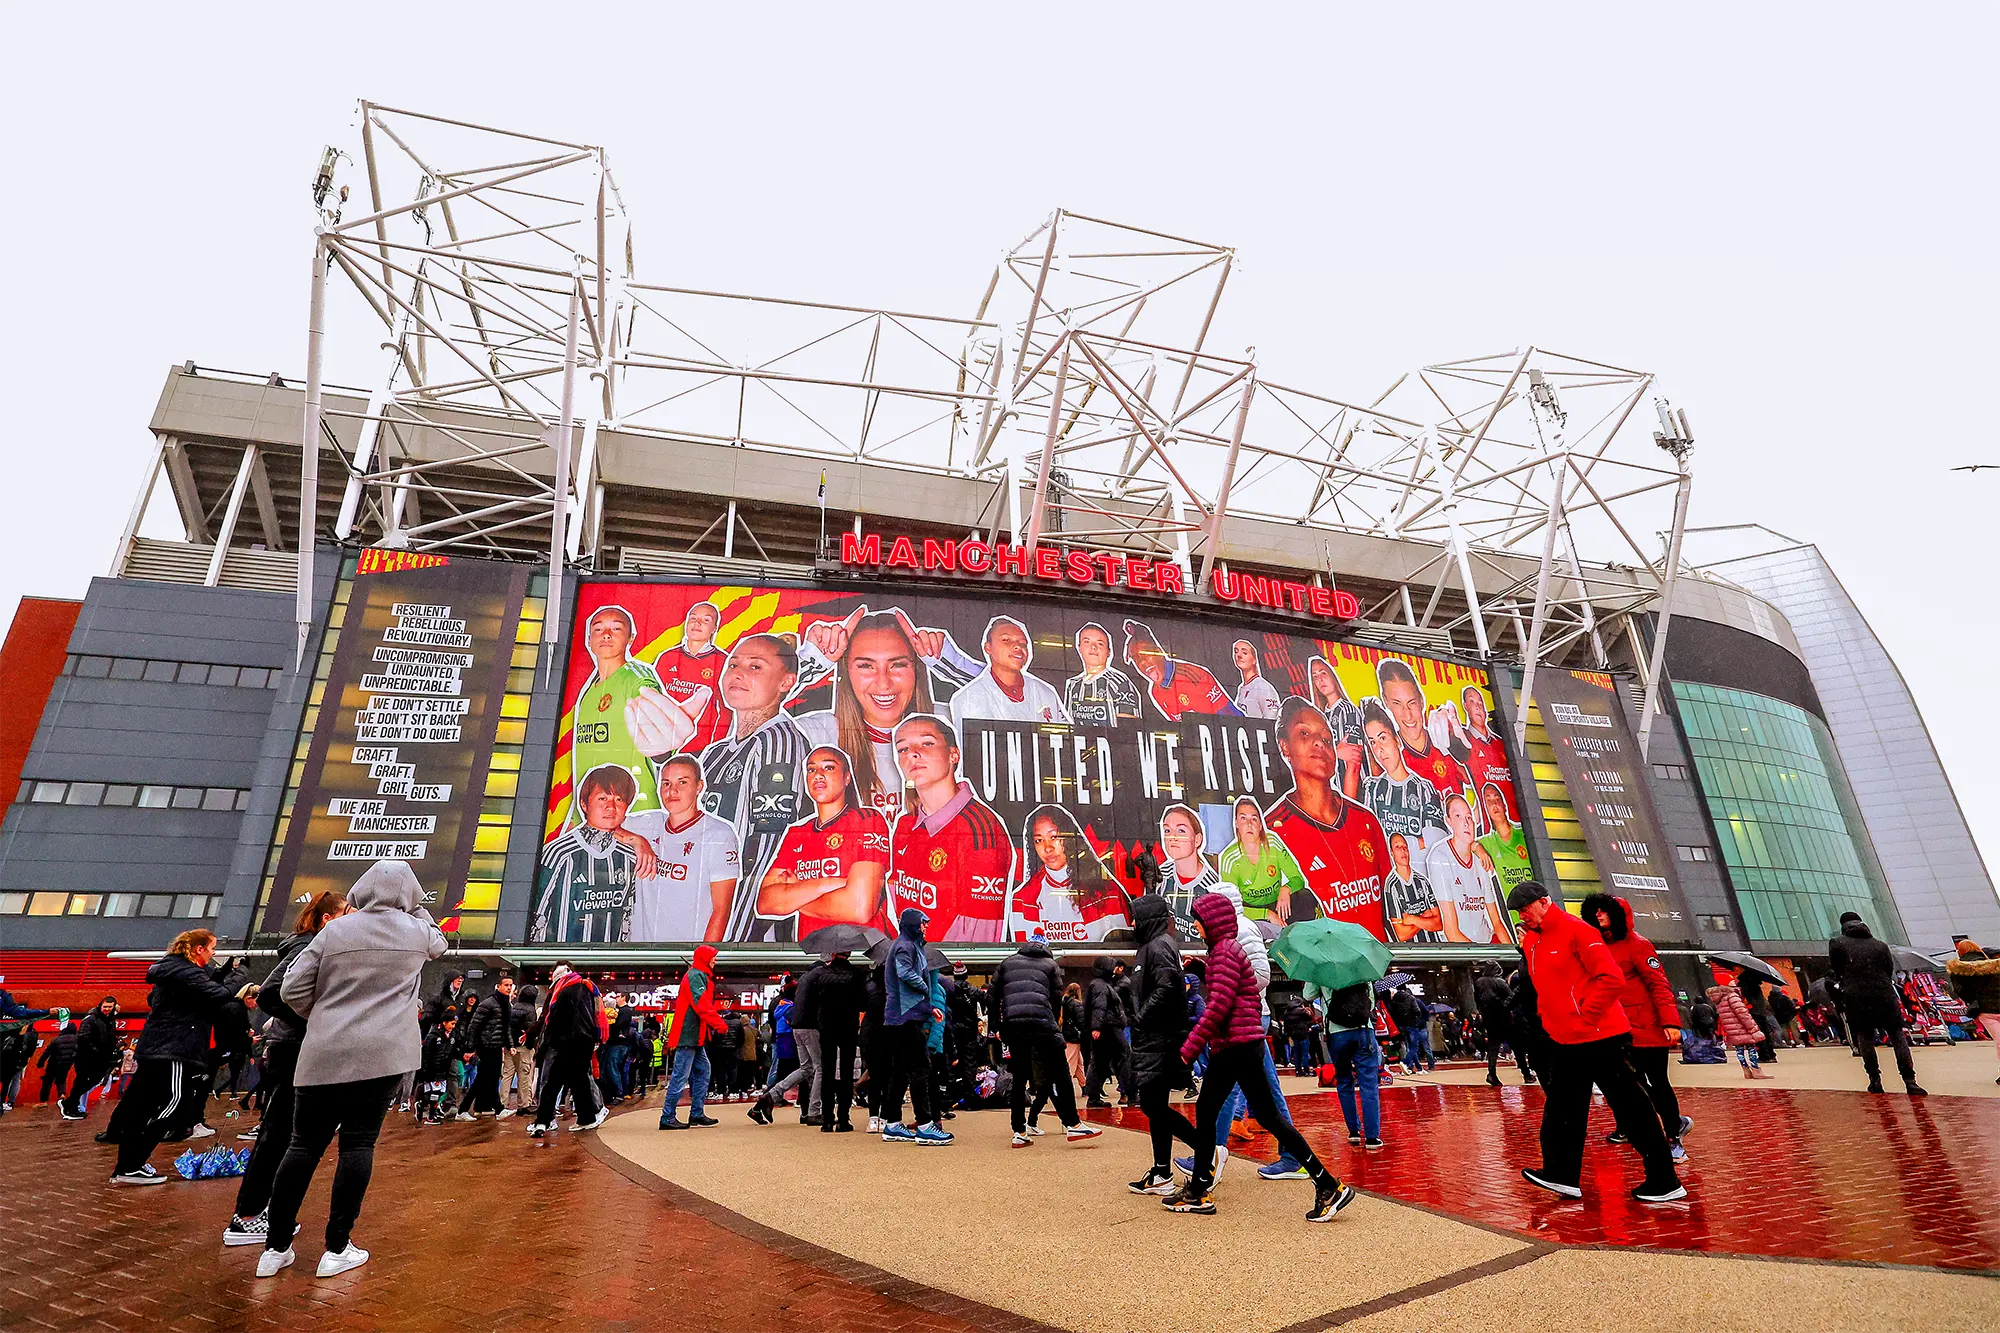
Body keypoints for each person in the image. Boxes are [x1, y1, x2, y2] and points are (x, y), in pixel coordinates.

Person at [257, 861, 447, 1279]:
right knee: (358, 1146)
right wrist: (415, 905)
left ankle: (275, 1247)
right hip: (382, 1054)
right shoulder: (416, 932)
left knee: (302, 1147)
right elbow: (440, 942)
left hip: (323, 1050)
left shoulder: (335, 930)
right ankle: (337, 1247)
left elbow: (290, 988)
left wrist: (323, 1016)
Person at [1164, 893, 1356, 1222]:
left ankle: (1199, 1190)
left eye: (1199, 919)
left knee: (1209, 1110)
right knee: (1266, 1116)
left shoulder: (1224, 952)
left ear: (1213, 922)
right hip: (1246, 1042)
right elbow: (1238, 990)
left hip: (1234, 1045)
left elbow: (1218, 1007)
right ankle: (1327, 1184)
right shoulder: (1227, 950)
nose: (1195, 924)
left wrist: (1187, 1052)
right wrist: (1203, 968)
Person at [1510, 881, 1685, 1204]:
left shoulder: (1578, 931)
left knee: (1630, 1106)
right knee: (1563, 1107)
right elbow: (1546, 986)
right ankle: (1561, 1174)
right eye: (1518, 912)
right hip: (1566, 1036)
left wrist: (1585, 1013)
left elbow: (1612, 979)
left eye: (1526, 908)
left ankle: (1663, 1179)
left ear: (1545, 902)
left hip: (1600, 1035)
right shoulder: (1533, 940)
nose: (1522, 915)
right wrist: (1551, 1020)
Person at [221, 892, 348, 1246]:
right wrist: (313, 1019)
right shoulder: (307, 947)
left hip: (294, 1047)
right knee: (279, 1134)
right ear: (327, 919)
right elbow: (270, 992)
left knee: (283, 1133)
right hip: (293, 1049)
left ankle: (258, 1212)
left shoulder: (313, 945)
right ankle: (248, 1217)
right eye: (345, 914)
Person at [798, 606, 980, 819]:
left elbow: (1008, 703)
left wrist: (952, 664)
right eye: (866, 666)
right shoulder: (817, 733)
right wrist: (811, 663)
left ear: (917, 669)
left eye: (898, 665)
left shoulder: (949, 721)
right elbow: (761, 713)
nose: (884, 683)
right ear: (847, 673)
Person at [108, 929, 247, 1187]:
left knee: (141, 1106)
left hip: (156, 1047)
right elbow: (219, 995)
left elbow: (201, 988)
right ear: (198, 949)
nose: (214, 953)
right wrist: (240, 975)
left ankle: (127, 1166)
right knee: (176, 1104)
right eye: (211, 948)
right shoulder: (185, 973)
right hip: (174, 1048)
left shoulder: (174, 972)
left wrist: (224, 971)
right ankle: (134, 1161)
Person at [699, 633, 814, 940]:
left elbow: (767, 850)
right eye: (733, 664)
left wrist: (732, 937)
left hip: (739, 924)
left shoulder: (779, 741)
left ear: (786, 682)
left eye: (755, 667)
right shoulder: (714, 754)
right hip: (705, 908)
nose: (738, 673)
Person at [1265, 697, 1394, 937]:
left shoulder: (1365, 820)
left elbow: (1393, 907)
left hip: (1378, 957)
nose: (1319, 743)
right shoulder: (1272, 830)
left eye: (1326, 739)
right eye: (1304, 734)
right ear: (1285, 746)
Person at [568, 604, 702, 821]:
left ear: (630, 638)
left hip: (635, 812)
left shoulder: (635, 677)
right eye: (598, 629)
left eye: (616, 628)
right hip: (591, 814)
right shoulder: (588, 692)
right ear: (589, 640)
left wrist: (663, 747)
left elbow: (652, 708)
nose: (607, 634)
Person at [886, 714, 1014, 942]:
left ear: (953, 755)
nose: (912, 753)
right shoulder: (904, 826)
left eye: (927, 743)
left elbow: (976, 942)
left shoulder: (980, 831)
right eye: (903, 749)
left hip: (946, 964)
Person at [1581, 895, 1691, 1161]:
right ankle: (1645, 1126)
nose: (1599, 915)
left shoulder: (1638, 945)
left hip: (1646, 1027)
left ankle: (1673, 1135)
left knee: (1657, 1083)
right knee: (1628, 1084)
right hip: (1615, 1028)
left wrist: (1670, 1022)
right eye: (1595, 911)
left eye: (1605, 911)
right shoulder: (1595, 946)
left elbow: (1658, 983)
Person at [758, 746, 892, 938]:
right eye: (811, 769)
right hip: (813, 950)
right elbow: (765, 903)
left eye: (828, 767)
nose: (818, 775)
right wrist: (827, 885)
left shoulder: (866, 820)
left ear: (847, 778)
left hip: (863, 950)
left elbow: (859, 909)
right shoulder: (797, 833)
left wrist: (796, 893)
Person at [990, 932, 1100, 1146]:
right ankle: (1073, 1124)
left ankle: (1019, 1131)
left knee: (1019, 1077)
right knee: (1060, 1072)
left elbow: (992, 997)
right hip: (1042, 1022)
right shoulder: (1050, 965)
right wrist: (1053, 1025)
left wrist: (996, 1027)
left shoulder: (1007, 963)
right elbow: (1055, 999)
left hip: (1014, 1024)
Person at [1124, 894, 1200, 1195]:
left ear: (1148, 918)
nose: (1132, 923)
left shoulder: (1157, 946)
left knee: (1152, 1105)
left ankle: (1205, 1151)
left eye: (1135, 917)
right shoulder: (1155, 946)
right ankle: (1162, 1171)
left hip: (1159, 1037)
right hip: (1155, 1037)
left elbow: (1167, 985)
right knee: (1156, 1106)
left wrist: (1141, 1016)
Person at [623, 755, 741, 943]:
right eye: (666, 783)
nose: (672, 791)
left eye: (682, 782)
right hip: (642, 953)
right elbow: (600, 824)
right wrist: (637, 840)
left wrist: (703, 956)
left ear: (699, 787)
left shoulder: (719, 834)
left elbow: (721, 909)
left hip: (686, 953)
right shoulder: (649, 823)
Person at [534, 766, 644, 943]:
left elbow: (628, 917)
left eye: (619, 799)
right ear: (584, 804)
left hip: (611, 958)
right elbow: (536, 916)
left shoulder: (629, 857)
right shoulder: (559, 852)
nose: (611, 807)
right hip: (562, 957)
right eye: (602, 798)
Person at [1828, 911, 1927, 1095]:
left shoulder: (1838, 943)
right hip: (1883, 993)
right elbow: (1888, 969)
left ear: (1843, 926)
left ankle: (1875, 1080)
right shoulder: (1880, 945)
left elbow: (1836, 968)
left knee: (1864, 1036)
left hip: (1856, 995)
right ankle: (1910, 1080)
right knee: (1897, 1035)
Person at [877, 908, 952, 1144]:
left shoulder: (906, 945)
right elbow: (905, 973)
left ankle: (892, 1124)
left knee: (900, 1071)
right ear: (912, 924)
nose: (926, 926)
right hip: (906, 1018)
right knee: (920, 1068)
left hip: (901, 1017)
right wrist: (925, 987)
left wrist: (928, 1008)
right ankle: (925, 1125)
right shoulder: (905, 946)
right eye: (923, 922)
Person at [1012, 806, 1130, 943]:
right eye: (1039, 840)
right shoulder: (1022, 899)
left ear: (1068, 838)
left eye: (1054, 837)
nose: (1048, 848)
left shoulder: (1109, 893)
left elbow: (1122, 947)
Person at [1359, 698, 1447, 858]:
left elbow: (1437, 842)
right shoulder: (1371, 788)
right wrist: (1417, 842)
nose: (1379, 749)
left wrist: (1396, 845)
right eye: (1373, 743)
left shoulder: (1424, 789)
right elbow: (1367, 839)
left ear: (1397, 741)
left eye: (1383, 738)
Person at [1377, 658, 1470, 807]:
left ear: (1421, 700)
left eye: (1412, 703)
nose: (1408, 715)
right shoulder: (1390, 758)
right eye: (1397, 704)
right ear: (1385, 701)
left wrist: (1457, 738)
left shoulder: (1444, 741)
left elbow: (1481, 783)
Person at [949, 615, 1070, 727]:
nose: (1018, 646)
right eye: (1006, 640)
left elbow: (1067, 738)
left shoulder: (1045, 693)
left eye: (1023, 643)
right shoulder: (968, 698)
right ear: (988, 648)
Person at [649, 599, 734, 755]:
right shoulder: (667, 657)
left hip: (699, 749)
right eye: (693, 618)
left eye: (705, 620)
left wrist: (715, 749)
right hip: (661, 744)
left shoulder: (723, 662)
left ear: (714, 628)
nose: (697, 623)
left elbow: (726, 712)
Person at [532, 963, 609, 1135]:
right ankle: (586, 1118)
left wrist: (548, 1042)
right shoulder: (587, 988)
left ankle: (542, 1122)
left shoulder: (564, 991)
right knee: (580, 1081)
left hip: (565, 1042)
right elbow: (593, 1016)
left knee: (552, 1082)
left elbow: (555, 1019)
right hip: (585, 1041)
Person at [1427, 794, 1512, 945]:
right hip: (1461, 951)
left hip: (1485, 944)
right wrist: (1484, 956)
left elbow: (1497, 922)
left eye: (1469, 817)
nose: (1466, 823)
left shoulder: (1480, 859)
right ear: (1448, 821)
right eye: (1458, 816)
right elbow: (1451, 932)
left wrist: (1514, 953)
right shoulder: (1440, 857)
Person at [1218, 796, 1307, 937]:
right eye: (1243, 818)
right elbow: (1231, 907)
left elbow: (1298, 879)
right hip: (1251, 911)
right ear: (1236, 824)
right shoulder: (1230, 858)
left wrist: (1286, 889)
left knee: (1306, 897)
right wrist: (1267, 914)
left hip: (1277, 904)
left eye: (1254, 819)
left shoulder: (1272, 844)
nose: (1249, 824)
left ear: (1260, 825)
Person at [659, 946, 725, 1129]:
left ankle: (695, 1113)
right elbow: (701, 1004)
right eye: (713, 957)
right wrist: (719, 1024)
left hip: (693, 1035)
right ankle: (668, 1116)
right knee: (682, 1076)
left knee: (701, 1072)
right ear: (705, 958)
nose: (715, 960)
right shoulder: (696, 975)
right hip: (689, 1035)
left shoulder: (696, 974)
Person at [1122, 619, 1240, 720]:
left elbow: (1230, 717)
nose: (1142, 662)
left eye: (1145, 653)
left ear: (1159, 651)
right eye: (1136, 659)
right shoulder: (1156, 691)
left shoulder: (1194, 676)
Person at [1318, 979, 1384, 1149]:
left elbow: (1308, 995)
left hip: (1336, 1032)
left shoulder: (1320, 968)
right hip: (1363, 1030)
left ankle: (1354, 1131)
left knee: (1344, 1081)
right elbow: (1371, 1002)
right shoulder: (1362, 968)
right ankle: (1372, 1137)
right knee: (1369, 1084)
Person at [812, 949, 866, 1132]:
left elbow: (814, 1001)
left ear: (833, 953)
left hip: (827, 1027)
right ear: (849, 953)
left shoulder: (821, 974)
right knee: (846, 1072)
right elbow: (863, 1004)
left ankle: (827, 1119)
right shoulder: (856, 974)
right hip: (848, 1026)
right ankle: (843, 1118)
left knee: (827, 1070)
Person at [458, 975, 519, 1119]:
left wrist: (510, 1045)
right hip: (486, 1046)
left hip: (496, 1046)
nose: (509, 988)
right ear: (498, 986)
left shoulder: (506, 1004)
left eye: (510, 985)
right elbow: (474, 1026)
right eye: (506, 985)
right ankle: (468, 1109)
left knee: (491, 1077)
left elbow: (506, 1027)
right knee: (484, 1077)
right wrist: (470, 1048)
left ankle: (482, 1107)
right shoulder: (488, 1003)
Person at [1156, 804, 1220, 942]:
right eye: (1167, 830)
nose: (1173, 837)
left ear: (1197, 839)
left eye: (1181, 831)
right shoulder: (1161, 877)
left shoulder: (1212, 885)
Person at [1304, 655, 1366, 796]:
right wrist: (1336, 753)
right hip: (1331, 796)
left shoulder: (1347, 710)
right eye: (1315, 676)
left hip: (1352, 795)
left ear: (1333, 675)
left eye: (1323, 673)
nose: (1320, 680)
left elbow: (1354, 761)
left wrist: (1349, 803)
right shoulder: (1319, 717)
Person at [1063, 622, 1143, 727]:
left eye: (1100, 643)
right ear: (1079, 648)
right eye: (1087, 642)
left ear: (1108, 652)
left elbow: (1128, 730)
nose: (1093, 647)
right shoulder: (1073, 685)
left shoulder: (1120, 683)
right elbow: (1067, 726)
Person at [1706, 965, 1773, 1080]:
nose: (1734, 981)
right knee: (1751, 1047)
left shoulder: (1719, 999)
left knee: (1740, 1049)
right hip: (1742, 1026)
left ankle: (1746, 1070)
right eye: (1731, 980)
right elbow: (1742, 1013)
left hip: (1732, 1028)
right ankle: (1756, 1069)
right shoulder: (1732, 995)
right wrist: (1751, 1027)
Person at [1947, 939, 2000, 1084]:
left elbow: (1961, 992)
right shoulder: (1994, 965)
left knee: (1999, 1041)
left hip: (1985, 1011)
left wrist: (1974, 998)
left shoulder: (1959, 970)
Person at [63, 997, 121, 1120]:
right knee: (81, 1082)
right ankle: (71, 1106)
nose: (107, 1009)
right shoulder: (91, 1018)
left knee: (95, 1079)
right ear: (100, 1005)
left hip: (101, 1057)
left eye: (110, 1007)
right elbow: (83, 1037)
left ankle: (69, 1103)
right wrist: (95, 1050)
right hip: (86, 1057)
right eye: (105, 1006)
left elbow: (109, 1036)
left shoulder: (110, 1020)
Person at [1474, 782, 1534, 898]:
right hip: (1514, 908)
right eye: (1489, 801)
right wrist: (1478, 847)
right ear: (1486, 810)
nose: (1494, 804)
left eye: (1497, 799)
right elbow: (1466, 845)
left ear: (1504, 806)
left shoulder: (1523, 833)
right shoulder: (1488, 842)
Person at [1083, 956, 1130, 1107]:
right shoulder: (1102, 986)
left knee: (1100, 1061)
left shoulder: (1099, 984)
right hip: (1109, 1027)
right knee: (1124, 1055)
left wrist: (1096, 1027)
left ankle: (1094, 1096)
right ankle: (1130, 1092)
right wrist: (1096, 1027)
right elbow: (1099, 1006)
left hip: (1105, 1027)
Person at [1382, 833, 1444, 944]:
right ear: (1391, 853)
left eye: (1405, 847)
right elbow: (1401, 935)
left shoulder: (1422, 881)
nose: (1403, 850)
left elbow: (1438, 924)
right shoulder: (1391, 886)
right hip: (1412, 952)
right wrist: (1425, 917)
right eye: (1397, 847)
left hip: (1434, 948)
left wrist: (1412, 919)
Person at [1473, 961, 1519, 1087]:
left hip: (1488, 1018)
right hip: (1503, 1016)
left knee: (1493, 1046)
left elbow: (1477, 1000)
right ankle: (1526, 1072)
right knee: (1516, 1043)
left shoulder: (1479, 982)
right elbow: (1512, 997)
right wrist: (1506, 1007)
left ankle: (1491, 1072)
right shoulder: (1499, 982)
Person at [503, 985, 539, 1111]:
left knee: (507, 1075)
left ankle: (502, 1103)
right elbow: (531, 1030)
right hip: (524, 1047)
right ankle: (524, 1104)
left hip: (510, 1046)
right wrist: (531, 1045)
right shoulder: (530, 1010)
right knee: (524, 1075)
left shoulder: (514, 1007)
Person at [1230, 639, 1282, 720]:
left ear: (1254, 660)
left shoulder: (1263, 687)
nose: (1239, 655)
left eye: (1244, 653)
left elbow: (1271, 720)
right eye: (1236, 652)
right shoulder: (1241, 688)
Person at [1388, 985, 1433, 1073]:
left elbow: (1393, 1014)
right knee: (1418, 1047)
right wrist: (1418, 1020)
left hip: (1402, 1026)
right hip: (1414, 1026)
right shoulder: (1412, 999)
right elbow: (1417, 1011)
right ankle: (1407, 1063)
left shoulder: (1395, 1000)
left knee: (1409, 1047)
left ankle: (1414, 1066)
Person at [36, 1020, 77, 1106]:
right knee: (62, 1079)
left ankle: (43, 1101)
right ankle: (62, 1095)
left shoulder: (57, 1040)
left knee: (47, 1081)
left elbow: (47, 1052)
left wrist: (40, 1063)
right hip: (67, 1063)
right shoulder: (77, 1040)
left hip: (54, 1063)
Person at [1060, 982, 1088, 1090]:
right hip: (1074, 1036)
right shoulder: (1076, 1004)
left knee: (1079, 1063)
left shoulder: (1063, 1002)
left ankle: (1084, 1086)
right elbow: (1081, 1021)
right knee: (1070, 1063)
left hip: (1066, 1034)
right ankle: (1064, 1088)